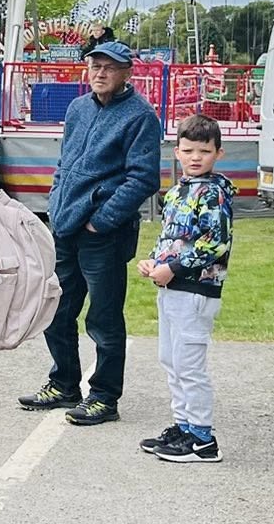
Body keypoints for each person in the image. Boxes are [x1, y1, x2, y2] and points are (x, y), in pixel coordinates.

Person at [18, 37, 162, 426]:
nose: (100, 73)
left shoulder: (140, 117)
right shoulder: (78, 108)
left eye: (109, 67)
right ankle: (64, 382)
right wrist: (56, 203)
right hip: (65, 226)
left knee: (103, 317)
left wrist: (101, 219)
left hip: (104, 235)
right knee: (57, 310)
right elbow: (64, 164)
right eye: (95, 65)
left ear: (127, 72)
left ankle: (103, 396)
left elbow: (143, 178)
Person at [139, 115, 234, 463]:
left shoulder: (213, 194)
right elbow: (170, 238)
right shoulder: (178, 192)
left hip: (196, 289)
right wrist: (153, 262)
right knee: (171, 359)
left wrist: (173, 268)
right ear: (176, 152)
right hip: (171, 286)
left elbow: (215, 243)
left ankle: (203, 439)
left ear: (218, 154)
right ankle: (183, 425)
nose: (196, 157)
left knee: (189, 364)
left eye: (204, 151)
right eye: (189, 150)